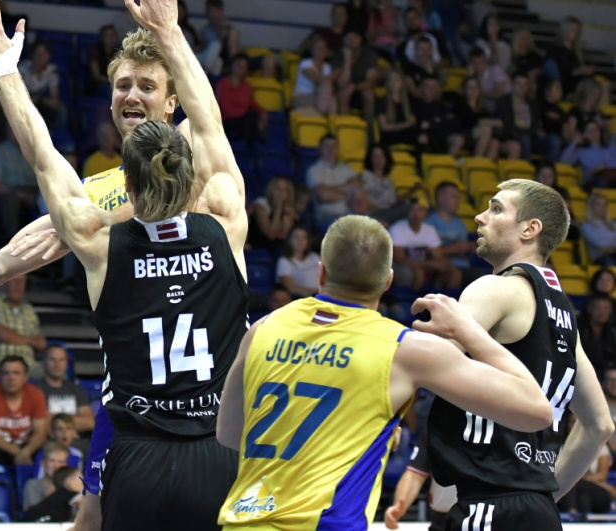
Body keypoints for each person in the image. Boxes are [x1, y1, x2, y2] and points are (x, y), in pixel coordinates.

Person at [0, 0, 251, 531]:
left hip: (165, 435)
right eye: (123, 86)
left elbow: (43, 156)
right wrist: (169, 29)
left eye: (146, 86)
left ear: (171, 103)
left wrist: (4, 71)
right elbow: (1, 263)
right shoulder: (205, 206)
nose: (132, 95)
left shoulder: (98, 224)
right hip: (175, 427)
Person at [216, 214, 555, 528]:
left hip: (242, 520)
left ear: (321, 273)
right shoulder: (404, 349)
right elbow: (537, 411)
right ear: (388, 281)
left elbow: (229, 433)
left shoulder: (262, 329)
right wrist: (469, 331)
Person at [425, 179, 614, 530]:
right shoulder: (563, 314)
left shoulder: (494, 288)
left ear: (530, 229)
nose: (480, 217)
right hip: (538, 510)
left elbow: (425, 365)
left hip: (487, 502)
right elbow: (600, 425)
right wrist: (543, 494)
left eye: (496, 209)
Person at [384, 434, 454, 531]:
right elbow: (415, 473)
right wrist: (397, 506)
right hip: (443, 520)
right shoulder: (434, 428)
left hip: (475, 513)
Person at [389, 197, 461, 292]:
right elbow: (400, 260)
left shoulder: (430, 230)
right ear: (407, 212)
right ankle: (408, 298)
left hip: (426, 268)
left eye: (420, 210)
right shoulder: (397, 228)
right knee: (415, 273)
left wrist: (443, 264)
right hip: (405, 269)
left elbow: (439, 257)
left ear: (426, 214)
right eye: (412, 209)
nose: (415, 214)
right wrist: (428, 264)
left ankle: (442, 296)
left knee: (455, 274)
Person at [0, 274, 46, 370]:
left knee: (53, 372)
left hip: (27, 365)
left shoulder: (29, 309)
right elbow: (2, 334)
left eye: (22, 281)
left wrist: (39, 342)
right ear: (4, 284)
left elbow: (39, 341)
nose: (18, 284)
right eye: (14, 280)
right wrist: (31, 341)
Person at [306, 134, 360, 231]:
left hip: (350, 215)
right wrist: (348, 192)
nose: (331, 149)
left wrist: (330, 189)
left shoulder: (347, 168)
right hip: (326, 216)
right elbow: (323, 195)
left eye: (334, 146)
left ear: (338, 149)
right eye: (327, 146)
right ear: (320, 149)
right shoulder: (314, 170)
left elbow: (358, 188)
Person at [36, 344, 94, 433]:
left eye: (61, 360)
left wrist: (54, 419)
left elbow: (89, 422)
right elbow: (43, 423)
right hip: (50, 440)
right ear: (43, 362)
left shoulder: (76, 389)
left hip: (79, 440)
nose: (57, 364)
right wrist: (76, 420)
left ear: (67, 363)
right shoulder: (36, 390)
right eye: (52, 359)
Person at [215, 53, 266, 143]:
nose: (241, 68)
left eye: (244, 66)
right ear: (232, 66)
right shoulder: (222, 84)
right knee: (250, 117)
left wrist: (262, 113)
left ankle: (251, 142)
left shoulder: (248, 87)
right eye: (238, 65)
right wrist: (244, 113)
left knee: (253, 116)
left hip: (242, 122)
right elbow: (226, 109)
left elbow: (252, 104)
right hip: (225, 121)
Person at [291, 35, 337, 115]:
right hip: (302, 97)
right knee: (326, 86)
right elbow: (318, 80)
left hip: (318, 97)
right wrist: (336, 73)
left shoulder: (327, 67)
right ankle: (322, 114)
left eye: (323, 48)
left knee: (332, 98)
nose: (321, 50)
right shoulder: (305, 63)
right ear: (312, 50)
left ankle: (326, 117)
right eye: (318, 48)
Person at [248, 176, 296, 250]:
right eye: (278, 189)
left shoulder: (288, 208)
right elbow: (271, 234)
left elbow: (286, 236)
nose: (281, 193)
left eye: (285, 190)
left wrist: (286, 213)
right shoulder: (260, 206)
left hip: (278, 249)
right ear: (271, 190)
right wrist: (278, 209)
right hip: (259, 247)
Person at [275, 224, 320, 298]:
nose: (300, 241)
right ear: (289, 240)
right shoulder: (284, 261)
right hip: (302, 299)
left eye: (303, 237)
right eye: (296, 237)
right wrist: (317, 292)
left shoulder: (315, 257)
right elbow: (291, 288)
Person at [24, 441, 70, 508]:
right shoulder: (33, 485)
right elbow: (33, 512)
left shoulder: (70, 487)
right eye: (52, 460)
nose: (56, 466)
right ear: (42, 463)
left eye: (60, 462)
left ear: (65, 465)